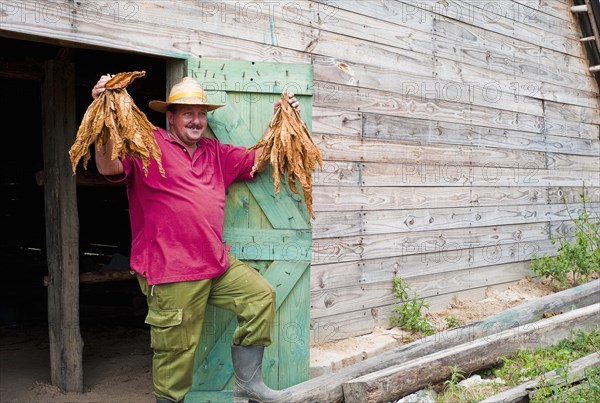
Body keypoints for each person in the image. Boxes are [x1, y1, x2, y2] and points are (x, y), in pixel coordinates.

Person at [91, 75, 299, 403]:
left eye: (201, 114)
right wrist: (100, 115)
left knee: (260, 297)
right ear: (170, 116)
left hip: (215, 262)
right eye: (187, 113)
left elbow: (258, 160)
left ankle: (248, 383)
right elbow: (108, 165)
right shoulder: (147, 145)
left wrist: (283, 119)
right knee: (176, 354)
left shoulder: (214, 152)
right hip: (171, 270)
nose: (197, 120)